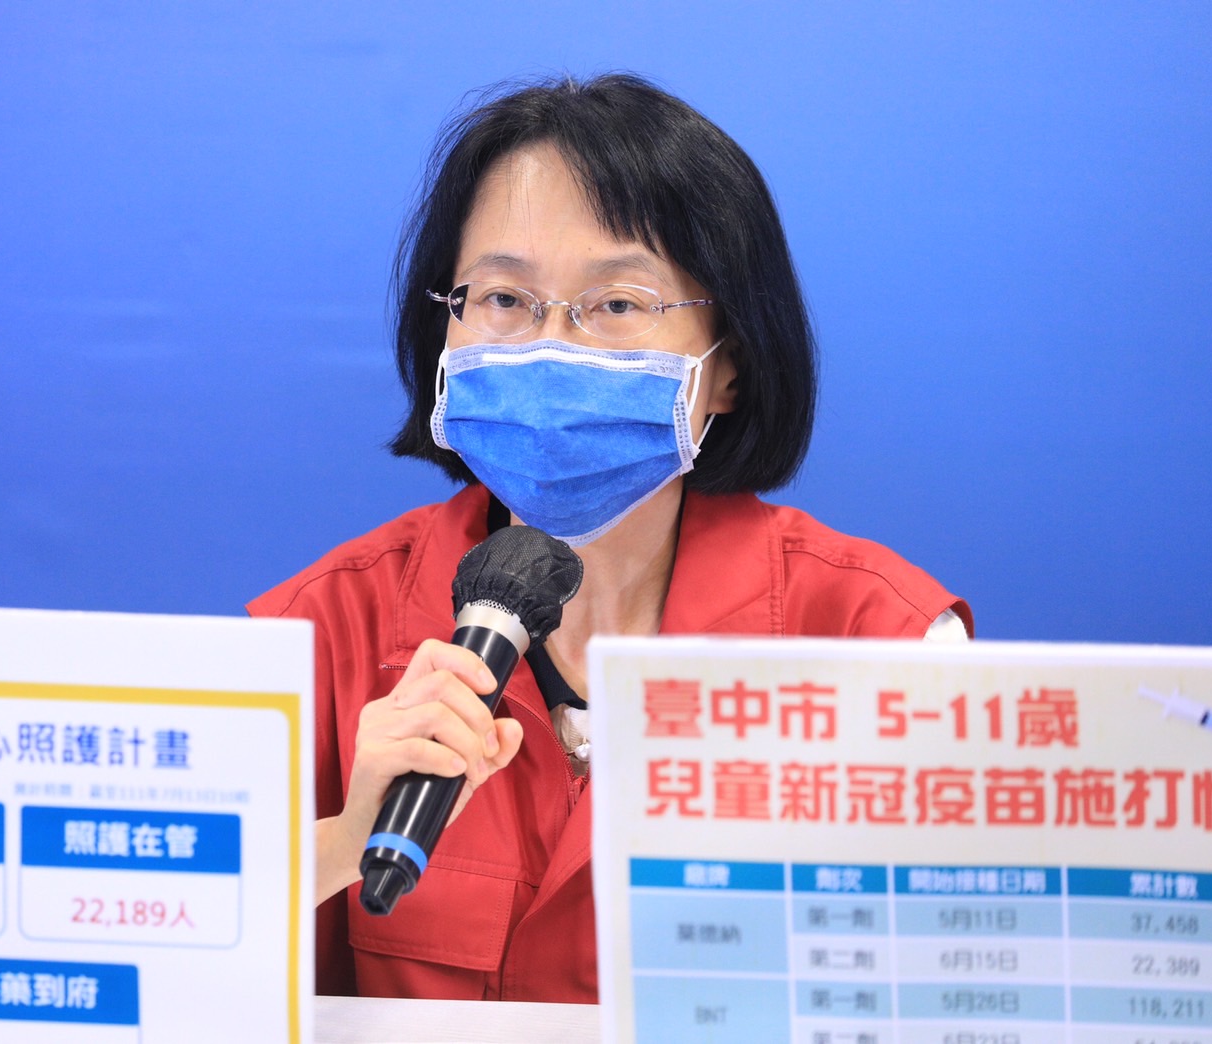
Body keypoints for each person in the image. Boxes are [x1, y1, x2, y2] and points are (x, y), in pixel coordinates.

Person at [248, 73, 972, 1003]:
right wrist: (343, 844)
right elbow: (165, 949)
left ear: (728, 368)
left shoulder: (882, 644)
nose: (553, 346)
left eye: (618, 305)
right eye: (503, 298)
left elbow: (964, 981)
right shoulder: (318, 634)